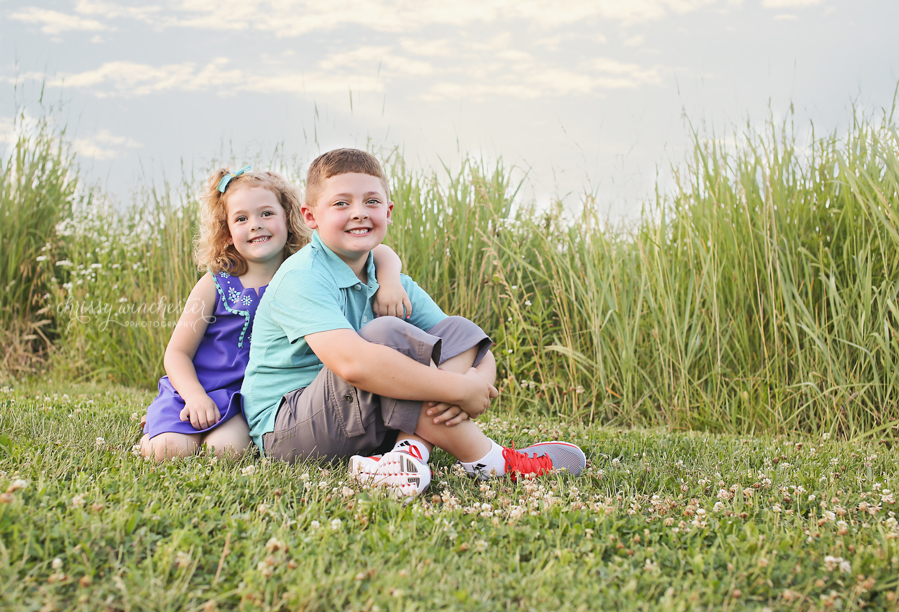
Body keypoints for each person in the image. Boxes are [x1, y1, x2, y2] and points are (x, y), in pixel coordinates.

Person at [241, 149, 586, 496]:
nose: (359, 213)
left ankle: (409, 452)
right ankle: (493, 462)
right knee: (383, 335)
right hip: (291, 430)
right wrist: (463, 390)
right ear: (310, 216)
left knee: (458, 328)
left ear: (388, 212)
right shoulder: (301, 276)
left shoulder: (393, 282)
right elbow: (354, 365)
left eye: (371, 201)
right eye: (341, 204)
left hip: (359, 418)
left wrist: (478, 380)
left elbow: (466, 343)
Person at [140, 165, 411, 461]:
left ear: (289, 218)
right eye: (241, 219)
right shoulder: (214, 282)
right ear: (227, 232)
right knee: (167, 451)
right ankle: (159, 424)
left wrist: (390, 280)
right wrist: (194, 396)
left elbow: (379, 252)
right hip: (194, 388)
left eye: (266, 214)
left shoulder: (305, 271)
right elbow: (177, 353)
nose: (255, 224)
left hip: (248, 399)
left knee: (225, 452)